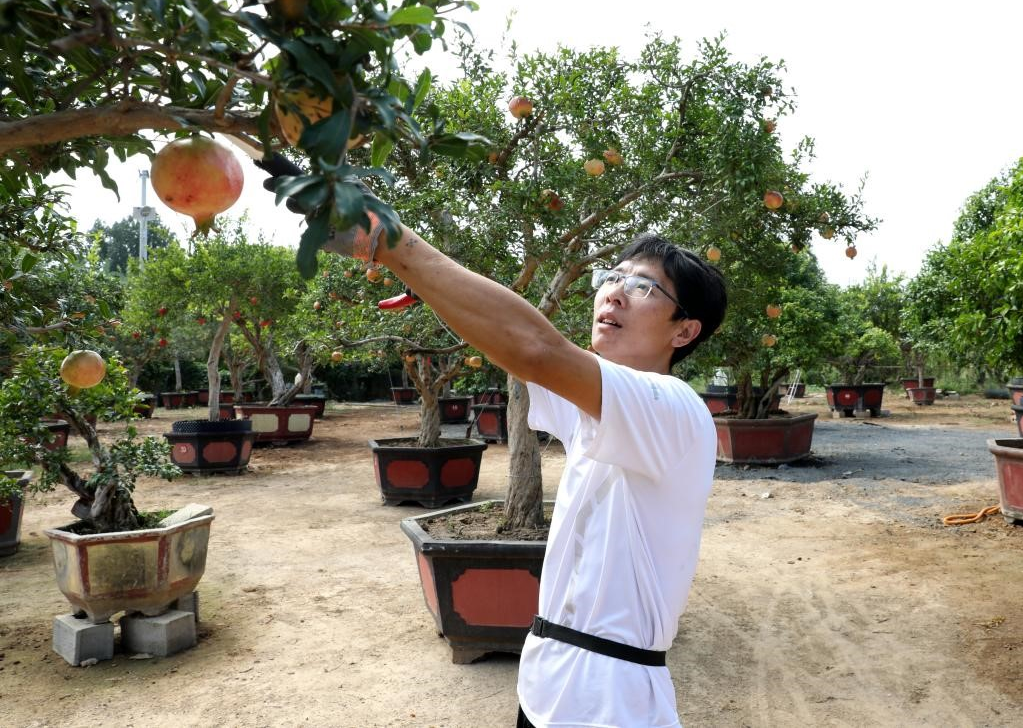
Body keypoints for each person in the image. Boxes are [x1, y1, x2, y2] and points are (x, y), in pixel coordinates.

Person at [265, 157, 728, 727]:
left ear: (684, 331)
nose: (613, 292)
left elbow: (535, 348)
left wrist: (390, 240)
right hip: (548, 682)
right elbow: (512, 347)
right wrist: (412, 271)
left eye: (642, 286)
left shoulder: (673, 410)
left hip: (611, 703)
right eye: (610, 276)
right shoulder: (603, 408)